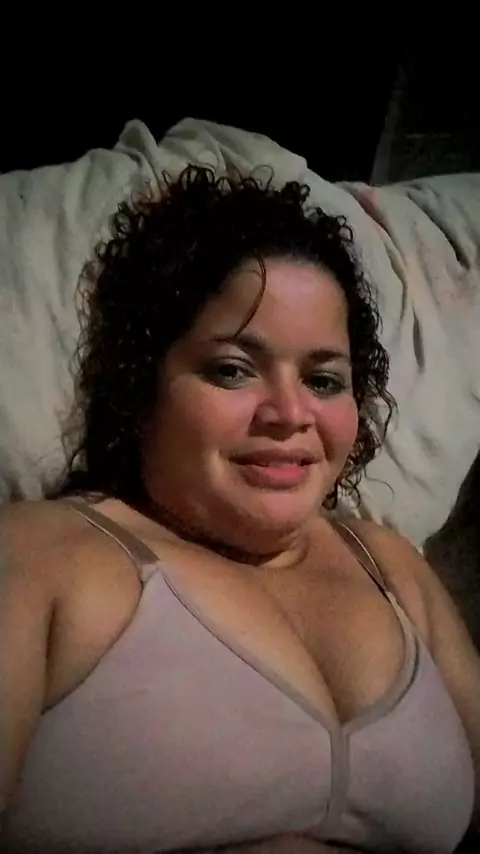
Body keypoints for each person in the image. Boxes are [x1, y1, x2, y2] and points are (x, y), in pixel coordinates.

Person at [1, 166, 479, 854]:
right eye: (232, 369)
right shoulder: (40, 556)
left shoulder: (393, 568)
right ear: (141, 385)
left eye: (323, 380)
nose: (289, 413)